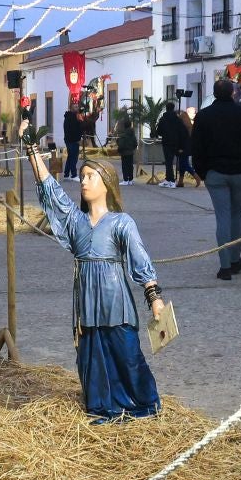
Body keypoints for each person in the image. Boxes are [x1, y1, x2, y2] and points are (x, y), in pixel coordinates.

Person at [26, 142, 167, 423]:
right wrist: (31, 150)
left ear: (107, 183)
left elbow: (140, 259)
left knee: (127, 353)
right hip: (86, 302)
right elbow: (50, 190)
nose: (84, 181)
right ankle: (104, 407)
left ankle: (145, 404)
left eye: (91, 176)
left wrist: (154, 297)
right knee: (92, 358)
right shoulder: (75, 221)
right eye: (83, 176)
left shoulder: (121, 222)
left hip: (116, 300)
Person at [191, 78, 241, 281]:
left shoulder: (204, 116)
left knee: (222, 217)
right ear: (233, 93)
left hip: (215, 173)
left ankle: (224, 267)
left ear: (214, 94)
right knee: (237, 216)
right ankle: (234, 259)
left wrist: (202, 171)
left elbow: (196, 146)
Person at [157, 101, 188, 188]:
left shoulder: (163, 119)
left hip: (166, 143)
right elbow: (183, 132)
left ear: (166, 108)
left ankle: (171, 180)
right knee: (170, 161)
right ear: (173, 108)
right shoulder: (178, 120)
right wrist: (181, 145)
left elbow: (159, 131)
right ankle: (168, 179)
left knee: (168, 162)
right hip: (176, 143)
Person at [115, 110, 139, 182]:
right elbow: (135, 143)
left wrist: (119, 148)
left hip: (124, 152)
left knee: (124, 166)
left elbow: (121, 144)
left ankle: (125, 179)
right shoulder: (132, 134)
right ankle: (130, 179)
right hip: (131, 152)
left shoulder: (123, 135)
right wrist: (132, 148)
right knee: (130, 166)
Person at [62, 103, 85, 179]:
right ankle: (74, 174)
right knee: (73, 158)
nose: (77, 108)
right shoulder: (71, 117)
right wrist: (78, 139)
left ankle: (66, 174)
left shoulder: (71, 116)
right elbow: (74, 130)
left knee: (70, 157)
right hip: (72, 140)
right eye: (75, 107)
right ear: (71, 108)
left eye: (77, 107)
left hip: (69, 140)